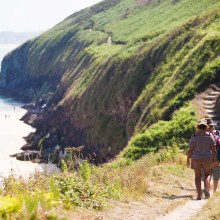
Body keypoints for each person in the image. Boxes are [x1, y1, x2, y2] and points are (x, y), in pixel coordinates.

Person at [187, 119, 218, 200]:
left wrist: (187, 159)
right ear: (205, 127)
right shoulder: (209, 136)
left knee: (197, 176)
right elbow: (213, 149)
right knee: (207, 175)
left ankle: (199, 195)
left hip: (196, 158)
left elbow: (190, 150)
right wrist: (216, 160)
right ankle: (206, 189)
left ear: (198, 127)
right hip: (207, 158)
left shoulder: (194, 136)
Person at [205, 118, 220, 192]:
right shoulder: (217, 133)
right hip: (215, 158)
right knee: (215, 176)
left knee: (207, 175)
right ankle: (213, 191)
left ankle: (207, 190)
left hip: (205, 158)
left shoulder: (202, 134)